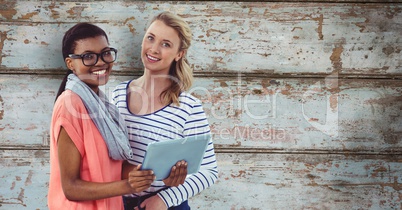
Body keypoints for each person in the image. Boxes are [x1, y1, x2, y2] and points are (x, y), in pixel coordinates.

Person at [113, 12, 218, 210]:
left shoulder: (188, 107)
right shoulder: (118, 94)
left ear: (179, 54)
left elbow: (209, 171)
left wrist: (164, 200)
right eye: (150, 38)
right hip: (118, 202)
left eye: (166, 44)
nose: (153, 49)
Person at [48, 22, 155, 210]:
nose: (100, 62)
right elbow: (71, 187)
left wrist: (154, 172)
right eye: (88, 56)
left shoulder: (103, 105)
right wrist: (128, 186)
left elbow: (113, 167)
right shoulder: (71, 105)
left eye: (105, 53)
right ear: (70, 63)